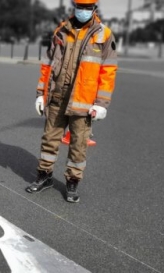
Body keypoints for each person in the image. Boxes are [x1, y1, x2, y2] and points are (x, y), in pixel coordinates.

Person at [26, 0, 118, 203]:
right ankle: (44, 176)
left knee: (78, 145)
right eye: (80, 6)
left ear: (94, 9)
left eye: (87, 7)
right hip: (57, 96)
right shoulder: (61, 30)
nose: (83, 11)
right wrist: (41, 93)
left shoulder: (103, 34)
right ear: (74, 6)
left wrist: (101, 104)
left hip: (84, 101)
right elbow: (48, 64)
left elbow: (108, 72)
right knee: (49, 139)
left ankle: (72, 182)